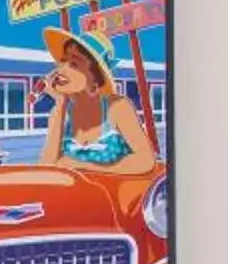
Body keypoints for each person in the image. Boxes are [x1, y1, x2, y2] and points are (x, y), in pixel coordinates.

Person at [38, 24, 163, 190]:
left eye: (74, 64)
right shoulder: (58, 114)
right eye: (63, 61)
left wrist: (80, 166)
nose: (62, 69)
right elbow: (46, 170)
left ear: (95, 79)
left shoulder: (118, 107)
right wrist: (60, 104)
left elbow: (145, 161)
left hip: (115, 202)